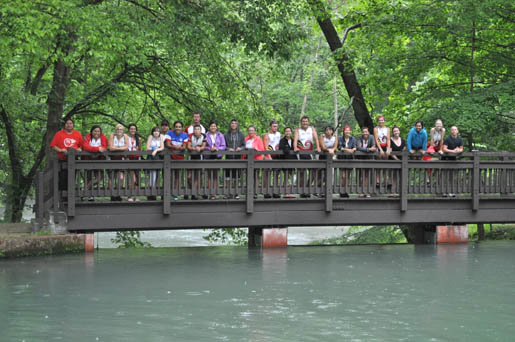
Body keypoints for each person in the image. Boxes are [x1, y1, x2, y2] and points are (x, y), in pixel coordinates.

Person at [50, 119, 83, 191]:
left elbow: (81, 146)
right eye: (67, 123)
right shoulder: (59, 134)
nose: (69, 125)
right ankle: (62, 199)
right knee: (62, 179)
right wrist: (61, 150)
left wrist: (79, 149)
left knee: (71, 179)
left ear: (73, 125)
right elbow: (53, 146)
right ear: (65, 125)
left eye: (70, 123)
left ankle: (69, 197)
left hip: (74, 160)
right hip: (63, 160)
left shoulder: (77, 133)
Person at [293, 116, 321, 198]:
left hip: (309, 153)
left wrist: (318, 147)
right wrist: (295, 147)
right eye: (303, 121)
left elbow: (316, 139)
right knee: (301, 172)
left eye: (306, 121)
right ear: (301, 122)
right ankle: (302, 191)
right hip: (300, 153)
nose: (305, 123)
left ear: (308, 122)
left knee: (313, 170)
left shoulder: (312, 129)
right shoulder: (297, 130)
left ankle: (307, 187)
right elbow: (295, 140)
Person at [165, 120, 189, 200]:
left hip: (180, 158)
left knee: (178, 176)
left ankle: (176, 193)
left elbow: (184, 147)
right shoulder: (170, 133)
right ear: (174, 127)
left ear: (182, 128)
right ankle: (169, 193)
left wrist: (179, 147)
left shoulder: (185, 135)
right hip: (170, 158)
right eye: (176, 127)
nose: (178, 128)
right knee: (170, 176)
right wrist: (176, 147)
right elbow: (168, 144)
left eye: (179, 127)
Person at [83, 125, 107, 201]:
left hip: (99, 161)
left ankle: (85, 188)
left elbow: (104, 148)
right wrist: (97, 149)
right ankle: (90, 195)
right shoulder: (87, 137)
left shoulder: (103, 138)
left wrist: (93, 149)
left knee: (100, 177)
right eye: (95, 131)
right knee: (88, 177)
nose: (97, 132)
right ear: (91, 132)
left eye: (98, 131)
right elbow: (85, 147)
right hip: (88, 160)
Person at [204, 121, 226, 200]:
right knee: (209, 175)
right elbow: (203, 146)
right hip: (208, 156)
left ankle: (215, 193)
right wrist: (210, 149)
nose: (213, 127)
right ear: (209, 127)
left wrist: (217, 148)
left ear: (216, 127)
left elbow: (223, 146)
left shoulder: (220, 135)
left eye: (214, 126)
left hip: (217, 156)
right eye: (211, 126)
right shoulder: (205, 135)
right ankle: (211, 193)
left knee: (216, 175)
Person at [224, 119, 245, 199]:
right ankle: (228, 193)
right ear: (230, 125)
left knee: (236, 176)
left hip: (237, 158)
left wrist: (240, 148)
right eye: (232, 123)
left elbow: (244, 145)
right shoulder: (226, 135)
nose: (233, 125)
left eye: (235, 123)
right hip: (228, 158)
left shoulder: (241, 135)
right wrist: (228, 149)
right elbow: (223, 146)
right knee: (228, 177)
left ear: (237, 125)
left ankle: (236, 193)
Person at [108, 124, 129, 201]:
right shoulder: (112, 136)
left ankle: (118, 193)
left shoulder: (125, 136)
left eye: (121, 130)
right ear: (115, 130)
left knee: (121, 177)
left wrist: (116, 148)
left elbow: (127, 147)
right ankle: (112, 195)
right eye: (118, 129)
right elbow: (110, 148)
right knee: (111, 177)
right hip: (112, 159)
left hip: (121, 159)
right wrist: (121, 149)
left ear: (123, 131)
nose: (119, 131)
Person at [442, 125, 464, 197]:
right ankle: (444, 192)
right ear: (450, 131)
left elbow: (461, 149)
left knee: (452, 177)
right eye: (452, 130)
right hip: (445, 160)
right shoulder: (447, 139)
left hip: (454, 160)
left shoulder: (460, 139)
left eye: (455, 130)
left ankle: (451, 192)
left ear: (457, 131)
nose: (454, 131)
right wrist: (453, 151)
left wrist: (458, 150)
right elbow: (444, 149)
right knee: (444, 176)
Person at [356, 126, 377, 198]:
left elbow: (374, 147)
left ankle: (367, 192)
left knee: (368, 175)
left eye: (366, 132)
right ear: (362, 133)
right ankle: (362, 191)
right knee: (361, 175)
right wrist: (368, 149)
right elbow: (358, 147)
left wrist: (364, 149)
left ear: (368, 132)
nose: (365, 133)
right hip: (361, 159)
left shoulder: (371, 137)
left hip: (370, 159)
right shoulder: (359, 138)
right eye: (363, 132)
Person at [187, 124, 207, 200]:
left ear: (200, 130)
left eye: (198, 129)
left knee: (197, 176)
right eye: (195, 129)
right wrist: (194, 148)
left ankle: (194, 193)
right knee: (189, 176)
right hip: (191, 157)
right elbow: (188, 146)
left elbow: (203, 146)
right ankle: (193, 191)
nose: (197, 130)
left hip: (199, 158)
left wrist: (200, 148)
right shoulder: (190, 136)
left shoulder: (203, 136)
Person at [263, 120, 281, 198]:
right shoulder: (267, 135)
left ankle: (275, 191)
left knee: (276, 174)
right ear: (270, 126)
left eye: (276, 126)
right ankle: (267, 192)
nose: (275, 128)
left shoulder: (279, 134)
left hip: (277, 155)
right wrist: (269, 157)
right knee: (267, 173)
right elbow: (266, 148)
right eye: (274, 126)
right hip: (268, 156)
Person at [146, 126, 165, 200]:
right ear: (152, 132)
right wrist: (154, 149)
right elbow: (148, 147)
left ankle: (153, 192)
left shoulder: (160, 138)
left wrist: (156, 150)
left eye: (157, 131)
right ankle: (150, 193)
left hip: (157, 158)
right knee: (151, 175)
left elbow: (162, 147)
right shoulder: (150, 137)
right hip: (150, 158)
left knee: (156, 175)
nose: (156, 132)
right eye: (154, 131)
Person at [338, 126, 356, 197]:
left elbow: (355, 146)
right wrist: (348, 150)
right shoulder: (340, 138)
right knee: (343, 176)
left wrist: (353, 149)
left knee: (347, 176)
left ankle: (345, 191)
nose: (347, 132)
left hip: (349, 159)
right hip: (342, 159)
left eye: (348, 130)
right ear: (343, 131)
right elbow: (339, 147)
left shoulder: (352, 139)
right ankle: (342, 191)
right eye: (346, 130)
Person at [278, 127, 296, 198]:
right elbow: (281, 148)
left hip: (292, 161)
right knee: (285, 176)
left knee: (292, 177)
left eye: (289, 131)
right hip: (284, 160)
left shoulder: (293, 140)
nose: (288, 133)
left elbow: (295, 148)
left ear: (291, 132)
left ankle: (291, 192)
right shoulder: (282, 140)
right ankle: (285, 192)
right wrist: (288, 150)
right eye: (286, 131)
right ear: (284, 132)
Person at [374, 116, 391, 186]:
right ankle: (377, 180)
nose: (381, 122)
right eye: (379, 120)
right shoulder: (375, 129)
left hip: (385, 146)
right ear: (378, 121)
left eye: (382, 120)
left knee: (385, 163)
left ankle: (385, 179)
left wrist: (388, 148)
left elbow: (388, 139)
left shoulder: (387, 129)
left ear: (384, 121)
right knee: (378, 163)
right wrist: (380, 149)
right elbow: (376, 139)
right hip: (378, 147)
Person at [127, 124, 142, 202]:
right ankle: (129, 195)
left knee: (137, 178)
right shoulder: (126, 138)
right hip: (129, 159)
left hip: (137, 159)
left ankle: (137, 195)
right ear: (129, 130)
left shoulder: (138, 139)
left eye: (134, 129)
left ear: (136, 130)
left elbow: (140, 149)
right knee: (133, 179)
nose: (133, 130)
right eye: (131, 129)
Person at [389, 126, 405, 196]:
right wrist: (397, 159)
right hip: (392, 161)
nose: (396, 132)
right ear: (393, 132)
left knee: (398, 177)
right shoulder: (390, 140)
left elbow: (404, 150)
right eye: (394, 131)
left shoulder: (403, 141)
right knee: (392, 176)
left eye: (397, 131)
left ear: (399, 131)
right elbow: (390, 151)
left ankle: (398, 192)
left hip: (401, 162)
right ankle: (392, 192)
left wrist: (400, 160)